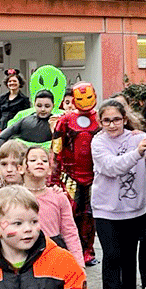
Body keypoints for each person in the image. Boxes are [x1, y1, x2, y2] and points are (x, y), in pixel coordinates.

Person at [0, 144, 84, 270]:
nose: (39, 163)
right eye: (33, 160)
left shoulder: (58, 197)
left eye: (44, 160)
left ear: (50, 169)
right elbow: (0, 234)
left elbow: (70, 233)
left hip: (54, 258)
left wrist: (79, 264)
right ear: (21, 168)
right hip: (24, 257)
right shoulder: (13, 198)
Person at [91, 98, 146, 289]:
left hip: (135, 208)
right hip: (106, 209)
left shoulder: (138, 138)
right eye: (107, 120)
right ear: (101, 122)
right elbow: (111, 167)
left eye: (116, 119)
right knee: (112, 256)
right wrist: (137, 153)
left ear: (124, 119)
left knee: (129, 256)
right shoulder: (98, 142)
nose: (112, 124)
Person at [52, 82, 100, 266]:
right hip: (69, 175)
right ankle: (69, 251)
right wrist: (53, 177)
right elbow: (56, 150)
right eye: (80, 98)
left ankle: (88, 250)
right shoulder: (64, 121)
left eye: (88, 97)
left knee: (90, 214)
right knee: (69, 213)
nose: (85, 102)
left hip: (95, 175)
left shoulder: (101, 119)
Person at [0, 68, 30, 136]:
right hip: (2, 129)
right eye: (10, 81)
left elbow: (26, 118)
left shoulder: (24, 99)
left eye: (14, 81)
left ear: (19, 83)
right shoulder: (2, 98)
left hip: (16, 131)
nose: (12, 83)